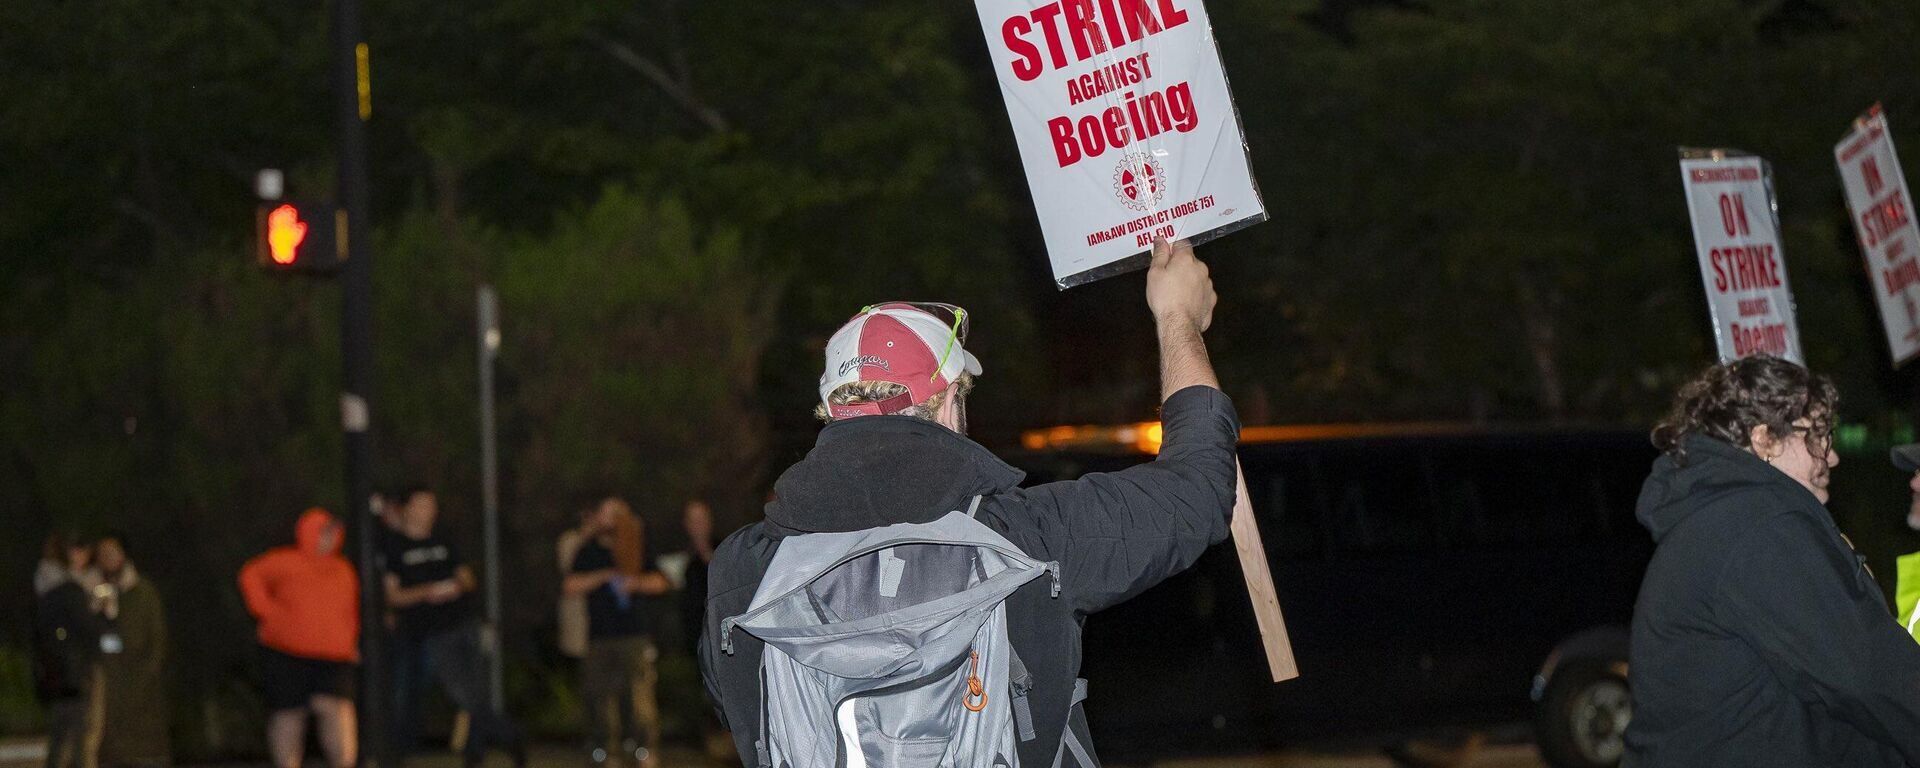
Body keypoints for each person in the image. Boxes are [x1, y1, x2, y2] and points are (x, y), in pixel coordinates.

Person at [698, 238, 1238, 767]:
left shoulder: (744, 574)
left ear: (833, 410)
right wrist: (1177, 317)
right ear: (949, 400)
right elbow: (1197, 489)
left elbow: (744, 716)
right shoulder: (1031, 541)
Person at [1624, 355, 1920, 766]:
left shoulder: (1722, 517)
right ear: (1765, 441)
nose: (1831, 457)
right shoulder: (1759, 524)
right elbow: (1868, 676)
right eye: (1815, 436)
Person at [382, 487, 526, 768]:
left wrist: (455, 587)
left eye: (432, 505)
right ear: (408, 508)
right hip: (429, 634)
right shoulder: (395, 546)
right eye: (422, 505)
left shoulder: (444, 540)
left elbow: (468, 579)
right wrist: (427, 592)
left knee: (474, 694)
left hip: (463, 624)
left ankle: (476, 754)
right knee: (455, 693)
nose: (429, 511)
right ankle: (511, 736)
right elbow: (392, 595)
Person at [238, 508, 360, 768]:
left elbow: (350, 611)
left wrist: (351, 641)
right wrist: (265, 610)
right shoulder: (284, 561)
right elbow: (250, 575)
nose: (328, 538)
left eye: (333, 533)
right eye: (323, 532)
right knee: (289, 715)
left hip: (333, 657)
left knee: (337, 710)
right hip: (286, 653)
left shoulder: (343, 570)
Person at [564, 497, 669, 768]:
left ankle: (643, 750)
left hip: (634, 634)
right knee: (598, 696)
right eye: (605, 514)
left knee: (639, 695)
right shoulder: (588, 550)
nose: (609, 519)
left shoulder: (638, 546)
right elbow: (570, 586)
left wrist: (636, 584)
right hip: (599, 636)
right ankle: (604, 752)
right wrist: (604, 576)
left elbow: (661, 582)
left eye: (615, 514)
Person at [91, 534, 169, 768]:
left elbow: (157, 639)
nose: (108, 558)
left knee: (143, 751)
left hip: (139, 682)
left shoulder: (143, 592)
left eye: (112, 552)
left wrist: (147, 673)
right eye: (103, 554)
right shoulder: (94, 591)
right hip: (106, 680)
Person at [33, 531, 108, 768]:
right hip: (78, 673)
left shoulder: (45, 586)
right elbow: (90, 630)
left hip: (56, 675)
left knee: (59, 739)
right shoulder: (71, 591)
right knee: (83, 739)